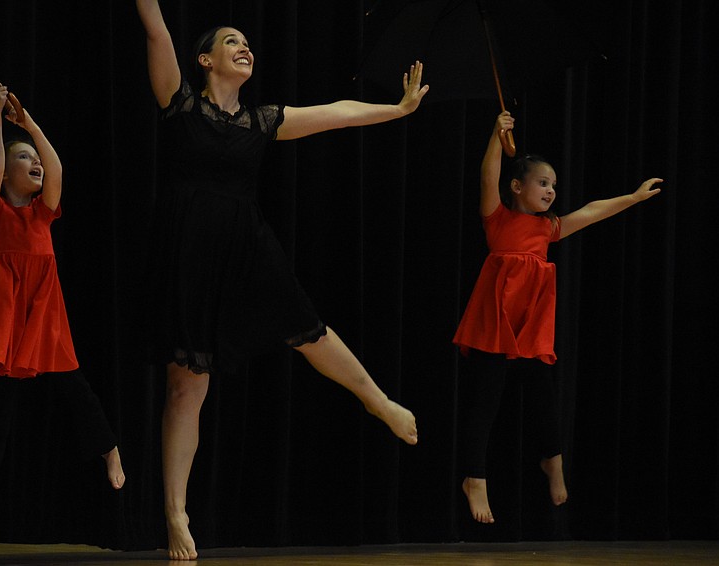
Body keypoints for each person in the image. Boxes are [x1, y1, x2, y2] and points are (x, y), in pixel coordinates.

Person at [135, 0, 428, 559]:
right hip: (189, 252)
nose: (245, 47)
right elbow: (154, 27)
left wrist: (396, 110)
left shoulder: (263, 120)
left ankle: (378, 400)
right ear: (204, 59)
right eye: (230, 42)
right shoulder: (179, 105)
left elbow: (336, 112)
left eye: (248, 42)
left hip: (246, 247)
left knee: (308, 328)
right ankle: (176, 511)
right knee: (187, 386)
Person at [0, 82, 125, 565]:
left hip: (42, 319)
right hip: (3, 325)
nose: (35, 163)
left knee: (78, 392)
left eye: (34, 158)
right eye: (26, 158)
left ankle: (109, 448)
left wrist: (31, 126)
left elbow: (57, 166)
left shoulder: (44, 214)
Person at [453, 111, 662, 524]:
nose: (551, 191)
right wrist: (497, 134)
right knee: (485, 403)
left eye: (553, 185)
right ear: (517, 186)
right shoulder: (498, 219)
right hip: (495, 322)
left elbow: (591, 212)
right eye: (542, 183)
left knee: (544, 398)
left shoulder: (548, 228)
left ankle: (553, 460)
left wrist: (633, 198)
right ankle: (475, 478)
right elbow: (487, 174)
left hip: (528, 325)